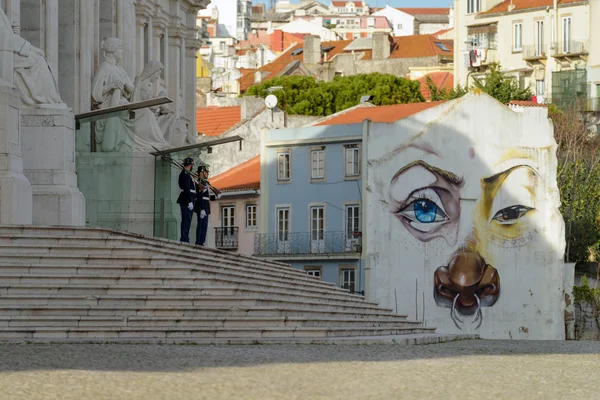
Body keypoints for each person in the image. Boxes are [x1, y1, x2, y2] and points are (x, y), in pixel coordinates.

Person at [176, 157, 195, 243]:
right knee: (186, 220)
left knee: (187, 220)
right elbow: (187, 188)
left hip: (187, 198)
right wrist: (189, 201)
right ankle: (184, 238)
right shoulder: (185, 173)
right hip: (186, 199)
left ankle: (185, 237)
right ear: (191, 165)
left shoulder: (186, 173)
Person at [194, 161, 212, 246]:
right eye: (205, 172)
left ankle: (201, 241)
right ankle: (199, 242)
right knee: (201, 225)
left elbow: (206, 196)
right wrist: (201, 209)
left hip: (206, 205)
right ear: (201, 173)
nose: (207, 174)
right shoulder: (199, 182)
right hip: (202, 206)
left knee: (204, 225)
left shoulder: (205, 183)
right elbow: (199, 196)